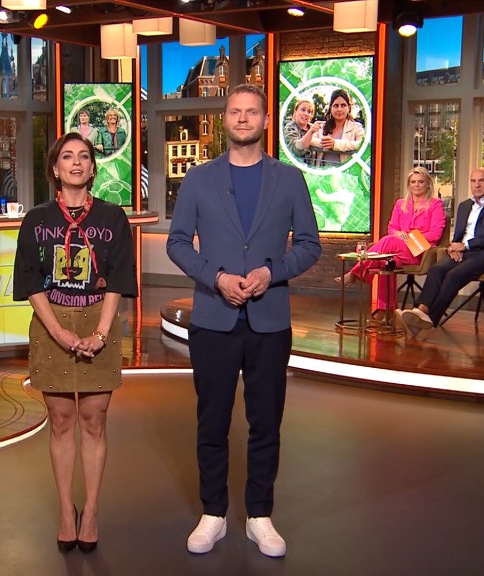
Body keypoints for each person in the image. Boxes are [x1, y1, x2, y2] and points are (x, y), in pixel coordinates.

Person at [166, 83, 321, 558]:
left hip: (269, 321)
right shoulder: (198, 179)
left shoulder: (290, 179)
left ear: (266, 120)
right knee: (211, 422)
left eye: (252, 111)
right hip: (214, 319)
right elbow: (177, 243)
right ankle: (213, 513)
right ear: (225, 118)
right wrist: (215, 278)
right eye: (235, 111)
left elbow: (310, 245)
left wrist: (272, 272)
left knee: (266, 423)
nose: (243, 118)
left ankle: (259, 516)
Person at [13, 132, 137, 554]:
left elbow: (118, 279)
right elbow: (30, 281)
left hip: (98, 319)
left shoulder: (113, 218)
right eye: (67, 157)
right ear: (55, 168)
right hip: (52, 324)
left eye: (84, 156)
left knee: (94, 420)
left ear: (93, 169)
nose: (76, 163)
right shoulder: (37, 220)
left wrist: (101, 333)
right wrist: (58, 332)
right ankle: (67, 511)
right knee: (62, 420)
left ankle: (93, 511)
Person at [397, 167, 484, 337]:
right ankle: (420, 311)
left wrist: (466, 245)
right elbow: (459, 234)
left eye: (481, 181)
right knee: (436, 269)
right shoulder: (464, 205)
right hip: (463, 251)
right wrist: (454, 246)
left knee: (454, 275)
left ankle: (430, 317)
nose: (477, 185)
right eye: (473, 181)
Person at [335, 167, 446, 318]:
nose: (416, 185)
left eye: (421, 182)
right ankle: (385, 309)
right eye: (413, 182)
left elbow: (435, 234)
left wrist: (408, 237)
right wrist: (398, 234)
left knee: (388, 240)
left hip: (421, 251)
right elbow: (392, 227)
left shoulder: (435, 204)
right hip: (399, 249)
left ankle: (355, 272)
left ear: (427, 184)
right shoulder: (401, 204)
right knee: (386, 261)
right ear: (408, 184)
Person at [313, 88, 364, 167]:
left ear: (349, 108)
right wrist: (326, 144)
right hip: (322, 172)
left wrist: (335, 144)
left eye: (343, 105)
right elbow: (310, 140)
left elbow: (362, 144)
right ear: (331, 108)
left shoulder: (356, 128)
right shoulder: (321, 126)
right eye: (336, 106)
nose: (339, 109)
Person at [281, 99, 321, 163]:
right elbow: (296, 150)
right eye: (303, 110)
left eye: (309, 112)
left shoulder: (316, 130)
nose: (306, 113)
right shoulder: (290, 128)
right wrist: (311, 132)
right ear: (295, 112)